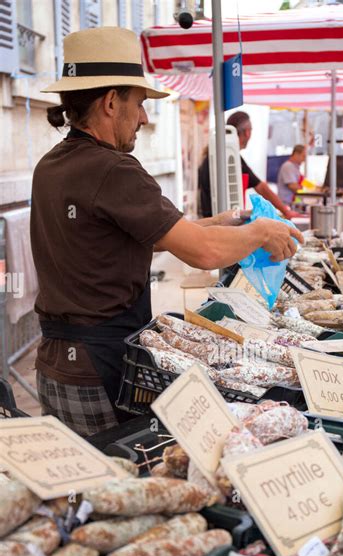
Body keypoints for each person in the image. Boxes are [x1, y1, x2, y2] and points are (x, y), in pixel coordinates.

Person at [31, 28, 302, 438]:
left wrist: (221, 222)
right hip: (96, 364)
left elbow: (125, 237)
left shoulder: (52, 164)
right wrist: (262, 231)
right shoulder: (114, 169)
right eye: (138, 104)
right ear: (109, 102)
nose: (143, 117)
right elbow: (204, 254)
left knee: (84, 493)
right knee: (119, 479)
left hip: (56, 364)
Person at [198, 111, 293, 220]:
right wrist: (286, 211)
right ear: (247, 132)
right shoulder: (228, 156)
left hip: (212, 220)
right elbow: (261, 187)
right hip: (218, 222)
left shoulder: (217, 153)